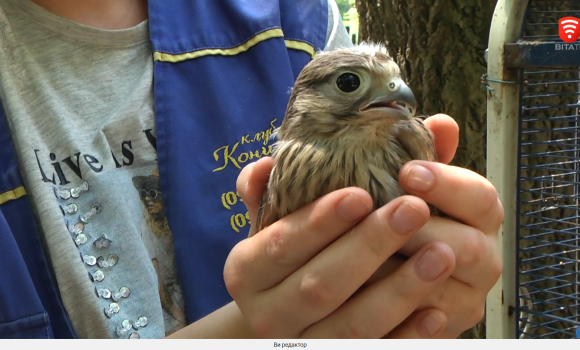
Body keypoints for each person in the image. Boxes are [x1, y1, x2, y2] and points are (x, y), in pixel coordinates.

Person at [0, 0, 503, 339]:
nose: (395, 96)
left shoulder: (293, 16)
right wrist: (253, 330)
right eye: (353, 84)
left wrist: (444, 273)